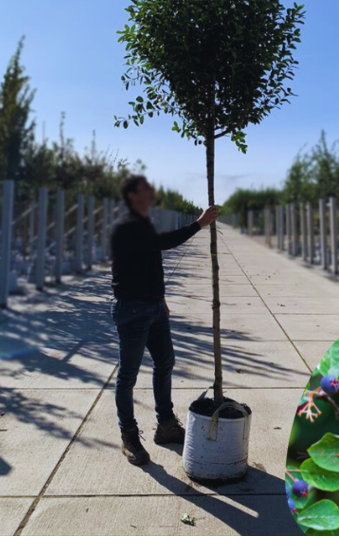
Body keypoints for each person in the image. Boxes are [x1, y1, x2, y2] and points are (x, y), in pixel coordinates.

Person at [110, 174, 219, 466]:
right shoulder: (126, 226)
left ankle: (166, 425)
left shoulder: (143, 223)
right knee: (127, 376)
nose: (152, 191)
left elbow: (150, 263)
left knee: (165, 362)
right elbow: (162, 243)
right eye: (145, 189)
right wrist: (199, 224)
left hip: (154, 308)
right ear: (133, 196)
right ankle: (129, 435)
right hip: (132, 310)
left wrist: (161, 299)